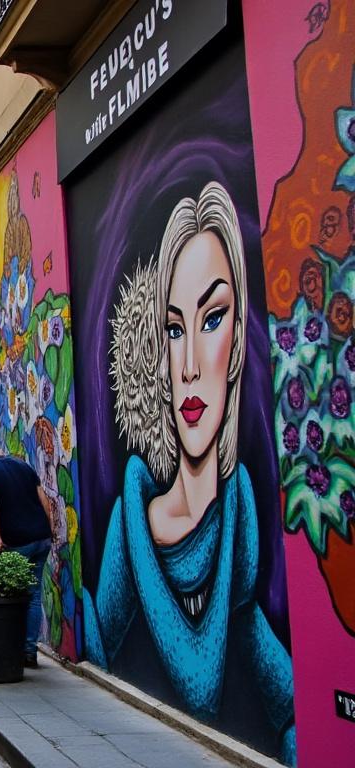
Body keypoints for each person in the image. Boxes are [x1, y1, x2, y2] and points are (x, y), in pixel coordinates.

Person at [88, 182, 293, 755]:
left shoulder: (239, 521)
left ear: (238, 339)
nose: (190, 366)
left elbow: (273, 678)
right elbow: (193, 678)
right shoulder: (134, 525)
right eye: (174, 329)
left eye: (213, 319)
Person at [0, 438, 57, 669]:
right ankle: (29, 651)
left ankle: (9, 648)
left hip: (16, 542)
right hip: (41, 538)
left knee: (8, 596)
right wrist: (50, 530)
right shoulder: (22, 465)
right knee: (33, 595)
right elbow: (43, 499)